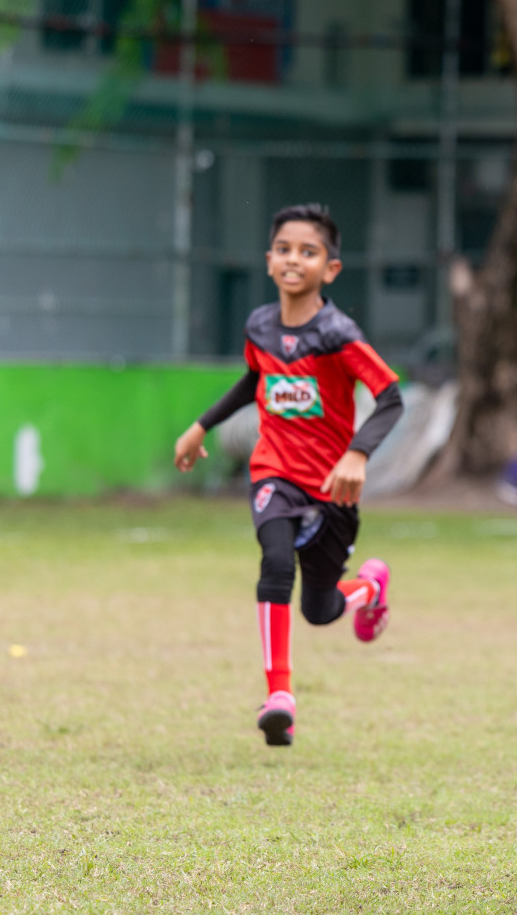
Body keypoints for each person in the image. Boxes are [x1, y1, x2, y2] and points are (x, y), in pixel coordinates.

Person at [173, 203, 404, 746]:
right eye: (284, 249)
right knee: (275, 562)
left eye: (308, 251)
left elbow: (390, 398)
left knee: (320, 610)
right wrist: (201, 426)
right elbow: (252, 379)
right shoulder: (259, 325)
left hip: (332, 488)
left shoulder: (338, 334)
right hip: (274, 472)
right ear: (269, 260)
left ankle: (370, 587)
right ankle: (279, 695)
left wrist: (358, 454)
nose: (293, 259)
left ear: (331, 269)